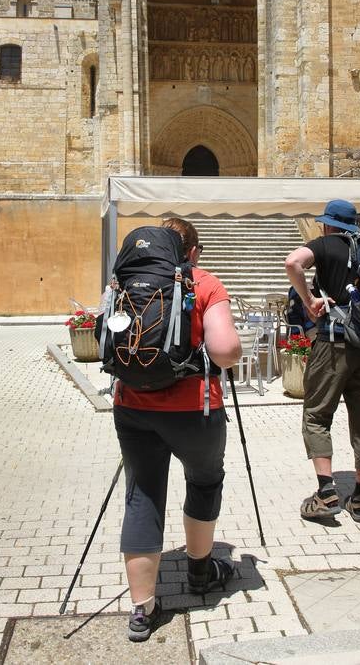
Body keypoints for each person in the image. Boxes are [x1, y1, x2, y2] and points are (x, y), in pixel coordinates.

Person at [113, 216, 242, 642]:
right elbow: (225, 351)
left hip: (132, 406)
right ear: (192, 252)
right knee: (204, 481)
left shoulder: (126, 278)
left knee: (142, 494)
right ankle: (200, 574)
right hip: (194, 409)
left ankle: (142, 608)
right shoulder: (204, 282)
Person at [285, 199, 360, 525]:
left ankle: (326, 494)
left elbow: (292, 262)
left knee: (316, 415)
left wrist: (309, 300)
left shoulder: (326, 244)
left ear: (328, 225)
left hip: (333, 343)